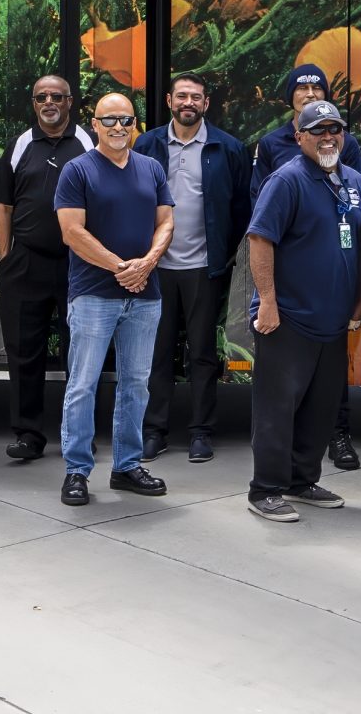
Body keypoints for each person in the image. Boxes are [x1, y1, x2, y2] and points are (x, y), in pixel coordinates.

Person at [244, 99, 361, 522]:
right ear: (299, 136)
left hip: (333, 321)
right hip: (288, 318)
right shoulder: (286, 180)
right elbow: (260, 240)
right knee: (277, 410)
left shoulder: (354, 181)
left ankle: (302, 481)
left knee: (320, 410)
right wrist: (267, 302)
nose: (328, 137)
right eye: (318, 130)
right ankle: (265, 489)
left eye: (334, 129)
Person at [51, 93, 174, 507]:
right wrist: (122, 267)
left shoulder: (151, 168)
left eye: (126, 119)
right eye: (110, 120)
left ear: (135, 124)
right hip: (93, 295)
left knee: (136, 384)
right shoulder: (77, 170)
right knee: (83, 384)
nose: (119, 127)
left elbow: (166, 220)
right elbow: (72, 231)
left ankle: (126, 466)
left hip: (145, 295)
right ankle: (76, 471)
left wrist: (149, 262)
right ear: (94, 124)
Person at [133, 73, 253, 464]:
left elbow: (241, 208)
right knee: (157, 352)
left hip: (203, 267)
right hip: (156, 266)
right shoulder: (147, 144)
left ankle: (201, 432)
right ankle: (154, 431)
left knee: (202, 353)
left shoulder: (227, 148)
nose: (188, 102)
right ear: (169, 99)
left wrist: (224, 253)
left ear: (206, 104)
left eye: (195, 97)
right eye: (182, 95)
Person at [0, 74, 92, 462]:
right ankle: (28, 435)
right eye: (41, 97)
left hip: (77, 264)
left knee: (79, 352)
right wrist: (6, 257)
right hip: (26, 263)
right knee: (23, 351)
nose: (49, 102)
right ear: (34, 103)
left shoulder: (88, 143)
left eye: (57, 96)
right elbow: (3, 207)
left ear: (70, 101)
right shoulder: (19, 146)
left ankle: (77, 435)